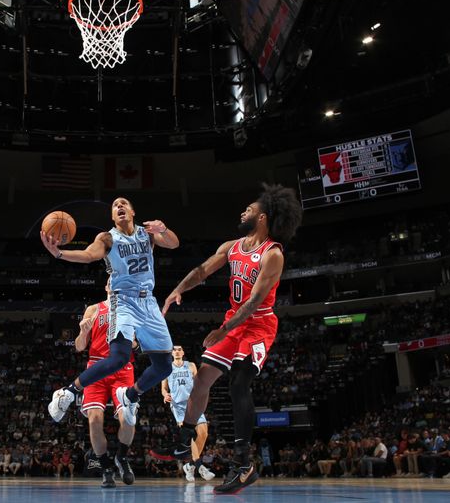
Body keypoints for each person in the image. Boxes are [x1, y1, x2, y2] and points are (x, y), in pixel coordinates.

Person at [152, 184, 302, 495]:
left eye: (248, 209)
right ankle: (184, 441)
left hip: (258, 326)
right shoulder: (233, 246)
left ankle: (243, 465)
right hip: (233, 324)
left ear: (262, 217)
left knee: (238, 383)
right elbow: (202, 270)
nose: (242, 213)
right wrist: (179, 289)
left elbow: (256, 301)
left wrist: (223, 330)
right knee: (202, 380)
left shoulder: (272, 254)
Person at [43, 197, 178, 430]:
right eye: (115, 206)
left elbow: (174, 244)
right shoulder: (107, 238)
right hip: (123, 300)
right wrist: (60, 254)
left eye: (124, 203)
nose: (119, 206)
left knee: (165, 366)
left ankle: (131, 396)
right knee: (119, 357)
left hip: (149, 303)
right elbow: (88, 255)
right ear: (113, 217)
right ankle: (68, 392)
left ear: (133, 211)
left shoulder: (147, 233)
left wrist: (163, 229)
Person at [75, 284, 137, 488]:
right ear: (107, 286)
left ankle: (121, 457)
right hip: (97, 366)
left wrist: (134, 341)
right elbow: (79, 346)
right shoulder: (93, 309)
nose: (115, 283)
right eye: (112, 280)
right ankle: (105, 468)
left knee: (127, 419)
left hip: (122, 367)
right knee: (94, 420)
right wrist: (84, 332)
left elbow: (137, 343)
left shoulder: (131, 307)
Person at [161, 345, 214, 482]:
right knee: (190, 434)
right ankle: (200, 466)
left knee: (203, 434)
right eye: (174, 349)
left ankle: (189, 466)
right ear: (171, 353)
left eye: (179, 349)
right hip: (178, 405)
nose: (177, 351)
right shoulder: (166, 368)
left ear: (183, 352)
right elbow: (163, 388)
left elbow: (198, 383)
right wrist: (165, 395)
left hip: (193, 402)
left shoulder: (190, 365)